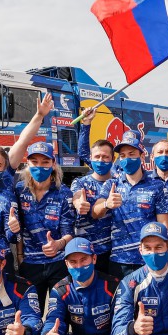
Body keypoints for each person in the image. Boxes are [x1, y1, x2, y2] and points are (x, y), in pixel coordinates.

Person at [92, 131, 168, 279]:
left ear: (142, 156)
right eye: (123, 156)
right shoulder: (112, 184)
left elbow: (163, 224)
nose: (127, 159)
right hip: (119, 261)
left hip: (149, 258)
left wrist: (163, 253)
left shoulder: (157, 186)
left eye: (131, 154)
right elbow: (95, 212)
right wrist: (106, 204)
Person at [14, 142, 74, 300]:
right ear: (27, 163)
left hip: (58, 263)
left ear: (53, 164)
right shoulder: (19, 190)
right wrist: (20, 256)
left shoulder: (63, 193)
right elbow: (18, 227)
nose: (39, 167)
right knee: (31, 311)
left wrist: (58, 244)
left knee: (59, 310)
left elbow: (69, 233)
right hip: (30, 264)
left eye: (45, 162)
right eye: (34, 162)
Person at [73, 109, 116, 273]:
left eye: (105, 157)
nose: (101, 160)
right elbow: (77, 197)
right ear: (91, 159)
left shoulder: (119, 182)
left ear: (113, 159)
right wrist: (79, 204)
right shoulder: (81, 182)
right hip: (85, 253)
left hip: (111, 252)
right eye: (97, 157)